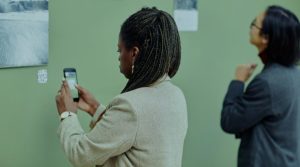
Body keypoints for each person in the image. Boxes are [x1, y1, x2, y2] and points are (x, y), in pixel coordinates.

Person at [55, 7, 188, 167]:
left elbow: (80, 154)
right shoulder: (176, 95)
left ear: (134, 53)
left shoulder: (131, 106)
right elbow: (136, 133)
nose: (119, 56)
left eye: (120, 50)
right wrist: (94, 108)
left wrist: (67, 114)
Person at [221, 5, 300, 167]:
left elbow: (229, 121)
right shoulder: (295, 74)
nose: (250, 28)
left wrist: (238, 81)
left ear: (266, 37)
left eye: (254, 24)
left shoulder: (266, 82)